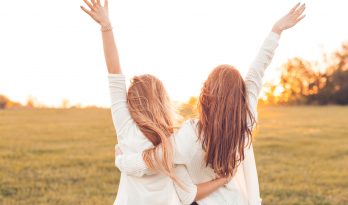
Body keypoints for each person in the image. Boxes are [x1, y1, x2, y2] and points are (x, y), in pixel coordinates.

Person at [115, 3, 306, 205]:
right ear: (240, 95)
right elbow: (257, 71)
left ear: (206, 95)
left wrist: (121, 161)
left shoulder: (190, 135)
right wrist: (275, 31)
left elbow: (152, 160)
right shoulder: (245, 120)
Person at [80, 0, 233, 204]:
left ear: (132, 102)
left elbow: (114, 73)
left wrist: (106, 27)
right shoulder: (173, 142)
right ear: (162, 101)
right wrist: (223, 179)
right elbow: (188, 195)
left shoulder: (125, 128)